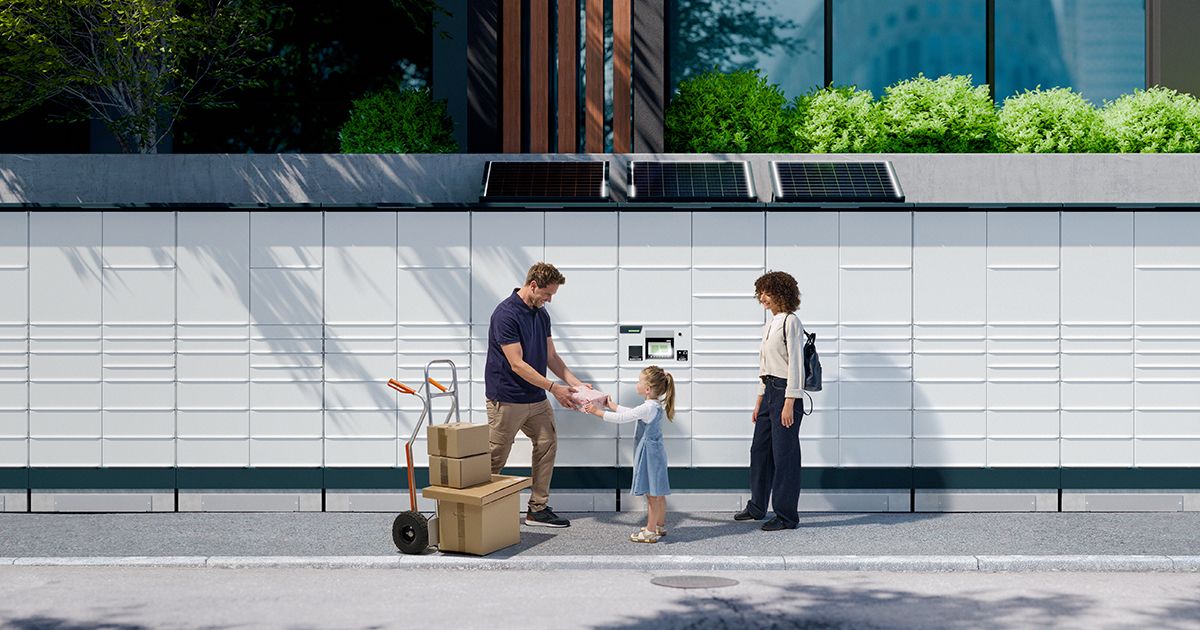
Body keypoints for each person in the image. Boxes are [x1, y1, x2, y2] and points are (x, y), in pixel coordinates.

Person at [485, 262, 590, 528]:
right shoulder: (505, 314)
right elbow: (516, 363)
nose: (549, 299)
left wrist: (577, 385)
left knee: (547, 444)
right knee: (495, 457)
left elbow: (551, 356)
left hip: (536, 399)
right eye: (547, 293)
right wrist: (554, 388)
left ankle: (537, 509)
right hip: (506, 399)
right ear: (533, 285)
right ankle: (476, 509)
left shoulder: (541, 315)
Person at [735, 270, 807, 531]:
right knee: (760, 451)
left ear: (781, 293)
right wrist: (759, 401)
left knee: (784, 455)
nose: (762, 297)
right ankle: (757, 506)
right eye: (760, 292)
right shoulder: (771, 323)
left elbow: (795, 366)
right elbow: (764, 366)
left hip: (785, 393)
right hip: (769, 393)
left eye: (767, 292)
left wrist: (790, 401)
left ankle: (787, 516)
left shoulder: (791, 322)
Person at [583, 365, 674, 543]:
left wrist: (596, 412)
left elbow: (621, 418)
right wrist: (611, 405)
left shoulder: (647, 407)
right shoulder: (653, 405)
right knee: (659, 492)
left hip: (649, 454)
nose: (637, 383)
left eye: (639, 381)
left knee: (652, 496)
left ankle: (649, 531)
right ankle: (659, 525)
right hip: (656, 453)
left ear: (647, 389)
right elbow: (630, 413)